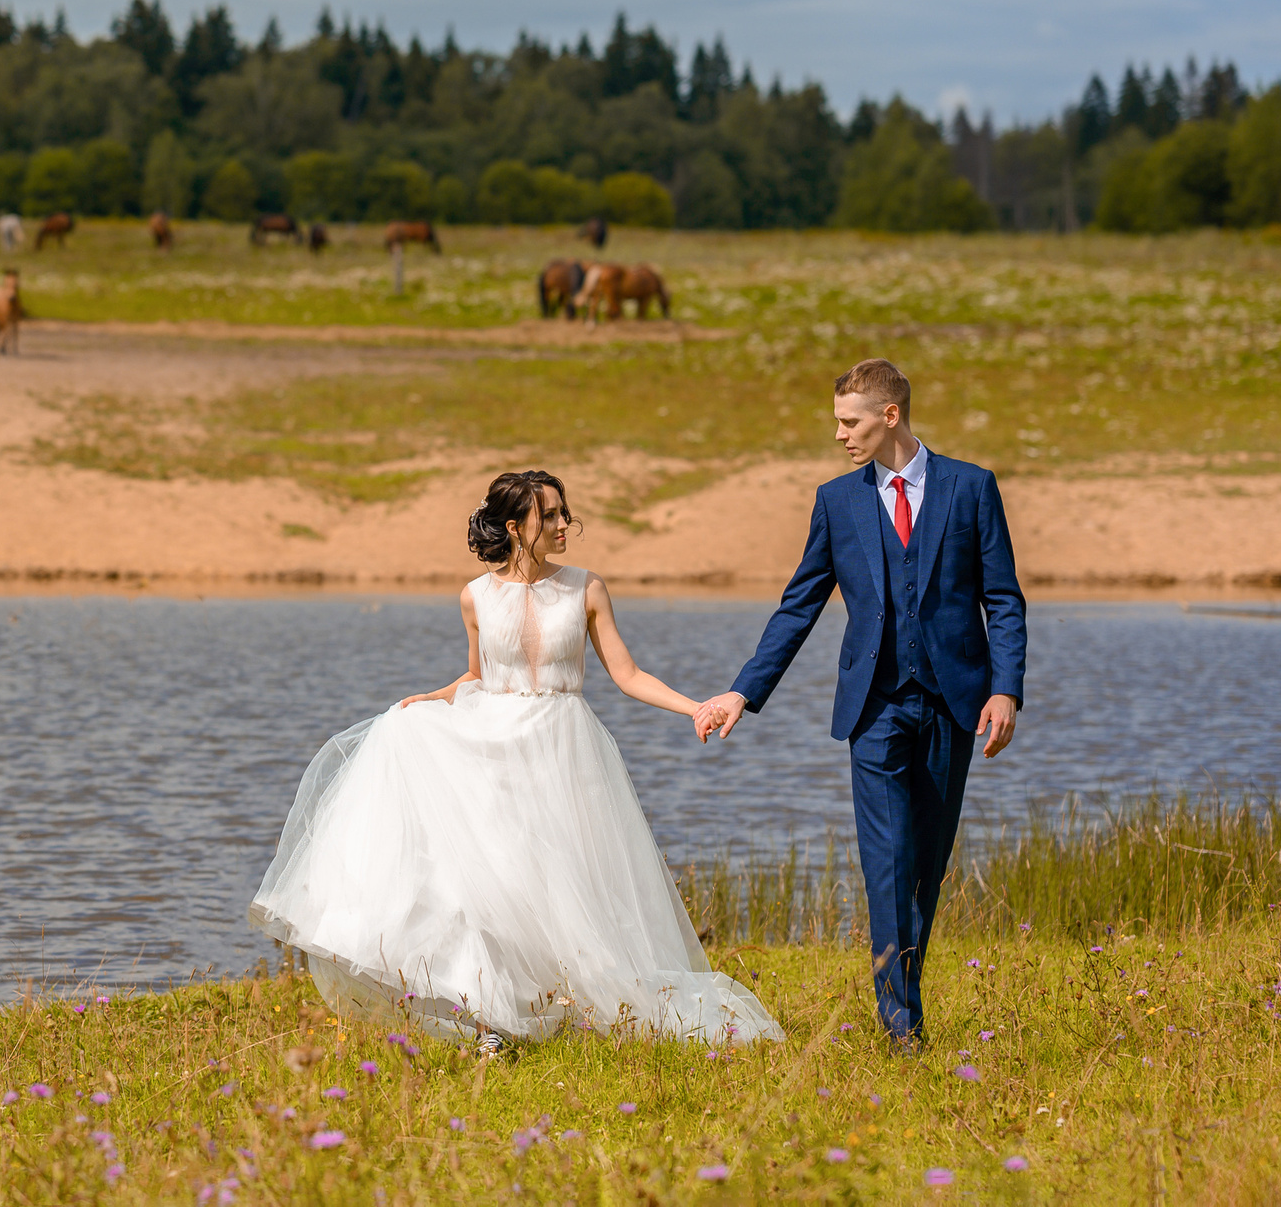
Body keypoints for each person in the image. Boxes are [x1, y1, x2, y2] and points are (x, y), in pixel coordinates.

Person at [250, 470, 784, 1049]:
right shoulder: (474, 595)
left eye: (563, 513)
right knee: (489, 883)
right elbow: (479, 676)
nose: (562, 525)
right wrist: (432, 699)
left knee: (563, 881)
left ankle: (574, 1004)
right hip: (489, 747)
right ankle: (492, 1021)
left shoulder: (587, 587)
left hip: (565, 748)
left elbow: (626, 674)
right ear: (515, 526)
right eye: (548, 515)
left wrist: (694, 708)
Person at [692, 358, 1027, 1048]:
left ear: (891, 416)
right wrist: (743, 689)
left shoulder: (970, 488)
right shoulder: (836, 501)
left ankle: (907, 994)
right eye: (838, 422)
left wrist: (1005, 688)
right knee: (887, 862)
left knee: (926, 865)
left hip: (955, 704)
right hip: (872, 709)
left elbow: (1004, 599)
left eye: (851, 421)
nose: (840, 434)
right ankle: (901, 1024)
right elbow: (799, 605)